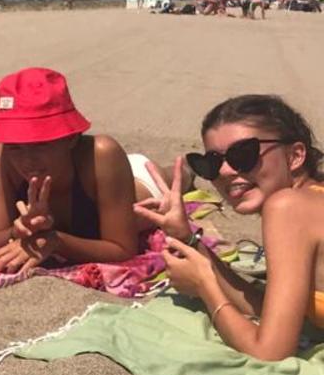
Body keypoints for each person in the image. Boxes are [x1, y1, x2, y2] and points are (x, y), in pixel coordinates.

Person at [135, 95, 324, 360]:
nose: (224, 171)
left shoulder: (287, 207)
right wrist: (187, 238)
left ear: (295, 156)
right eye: (212, 163)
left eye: (243, 155)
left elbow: (269, 352)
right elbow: (268, 310)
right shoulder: (309, 201)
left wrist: (204, 286)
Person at [0, 68, 153, 273]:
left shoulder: (101, 156)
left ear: (71, 138)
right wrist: (18, 231)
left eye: (40, 144)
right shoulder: (4, 152)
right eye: (16, 147)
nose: (27, 160)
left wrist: (55, 241)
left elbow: (123, 249)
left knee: (172, 178)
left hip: (141, 180)